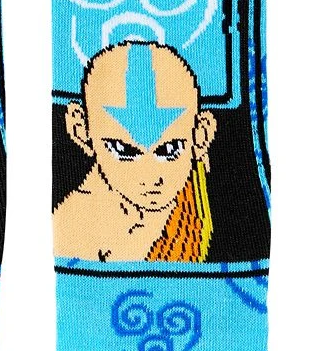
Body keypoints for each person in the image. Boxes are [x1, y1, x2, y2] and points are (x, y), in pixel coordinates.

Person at [53, 42, 217, 263]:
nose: (151, 177)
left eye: (170, 150)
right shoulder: (77, 224)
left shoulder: (200, 204)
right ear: (81, 130)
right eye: (123, 151)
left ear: (202, 135)